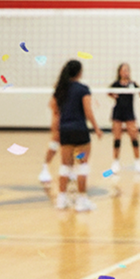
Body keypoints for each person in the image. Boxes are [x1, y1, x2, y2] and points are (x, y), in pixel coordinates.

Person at [52, 59, 102, 212]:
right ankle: (81, 200)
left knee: (65, 166)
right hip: (80, 132)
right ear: (79, 72)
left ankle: (61, 199)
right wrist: (96, 128)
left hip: (65, 131)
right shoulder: (82, 89)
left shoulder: (60, 89)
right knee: (82, 166)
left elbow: (56, 113)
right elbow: (88, 112)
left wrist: (56, 131)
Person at [109, 62, 140, 174]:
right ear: (119, 72)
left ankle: (138, 162)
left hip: (129, 113)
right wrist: (113, 95)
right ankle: (115, 163)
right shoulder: (116, 84)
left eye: (127, 70)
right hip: (118, 113)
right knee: (117, 138)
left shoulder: (132, 84)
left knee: (134, 136)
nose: (126, 72)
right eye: (124, 70)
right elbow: (109, 92)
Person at [38, 95, 61, 185]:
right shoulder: (57, 97)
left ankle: (71, 170)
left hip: (71, 123)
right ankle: (45, 168)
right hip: (60, 123)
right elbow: (54, 110)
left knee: (72, 147)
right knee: (54, 145)